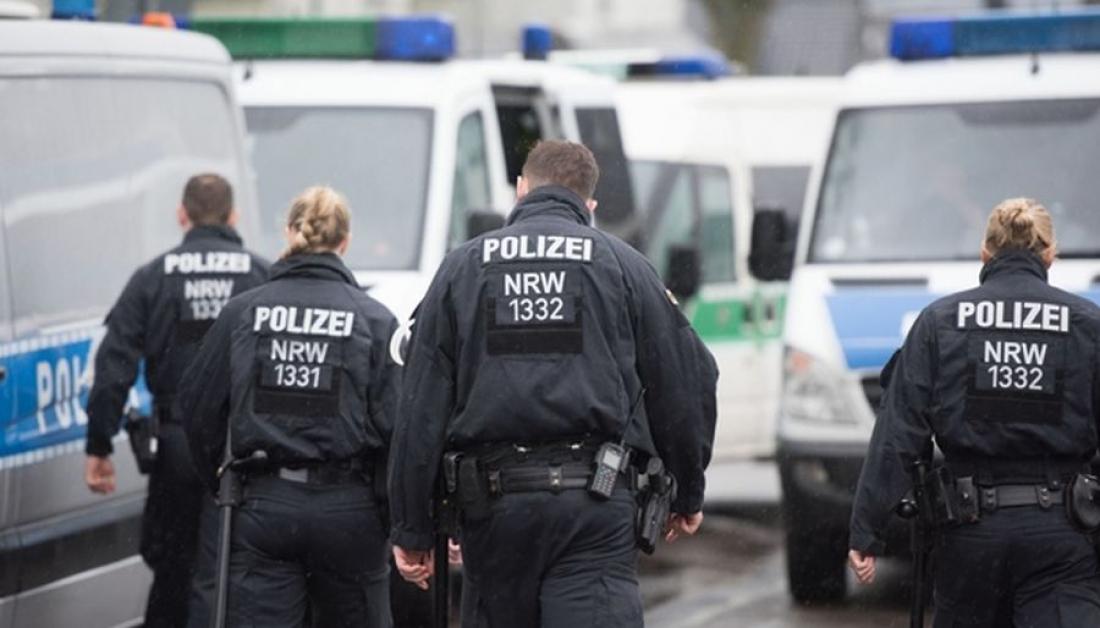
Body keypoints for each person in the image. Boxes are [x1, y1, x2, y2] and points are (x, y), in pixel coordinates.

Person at [388, 140, 718, 627]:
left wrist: (413, 526)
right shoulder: (623, 265)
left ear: (521, 189)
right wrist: (687, 490)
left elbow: (421, 404)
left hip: (496, 512)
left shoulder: (463, 267)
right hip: (595, 508)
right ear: (590, 205)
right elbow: (686, 379)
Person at [848, 198, 1100, 627]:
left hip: (970, 534)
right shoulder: (1087, 324)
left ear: (985, 254)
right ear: (1050, 255)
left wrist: (866, 530)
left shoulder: (940, 322)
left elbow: (898, 432)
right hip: (1061, 535)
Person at [178, 186, 399, 627]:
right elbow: (398, 426)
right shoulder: (373, 319)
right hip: (349, 511)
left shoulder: (243, 312)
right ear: (344, 243)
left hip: (265, 506)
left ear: (289, 232)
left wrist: (221, 480)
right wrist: (389, 512)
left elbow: (197, 403)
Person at [83, 173, 269, 628]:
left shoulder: (153, 277)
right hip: (239, 448)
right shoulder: (261, 275)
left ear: (182, 215)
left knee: (171, 567)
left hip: (176, 445)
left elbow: (112, 367)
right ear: (233, 216)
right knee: (220, 570)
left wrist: (99, 446)